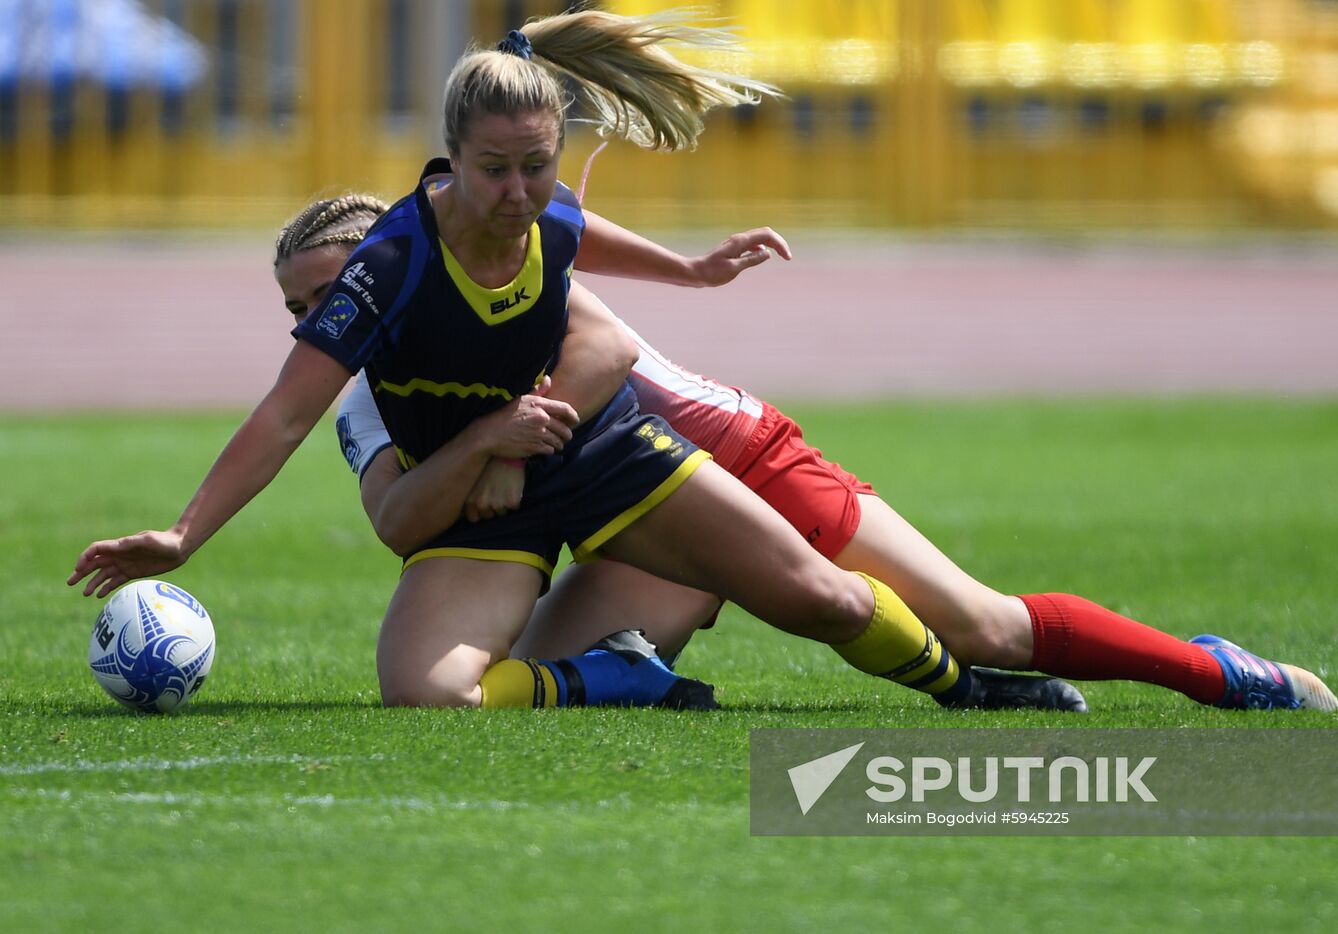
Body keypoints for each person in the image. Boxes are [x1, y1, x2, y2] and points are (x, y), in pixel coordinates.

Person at [71, 9, 1076, 714]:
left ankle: (969, 686)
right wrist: (184, 531)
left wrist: (689, 270)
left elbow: (578, 233)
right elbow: (285, 414)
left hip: (604, 460)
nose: (517, 192)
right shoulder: (390, 265)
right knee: (424, 693)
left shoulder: (543, 206)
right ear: (448, 161)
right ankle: (613, 678)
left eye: (535, 165)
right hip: (477, 515)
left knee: (829, 600)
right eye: (493, 171)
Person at [287, 189, 1338, 714]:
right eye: (299, 306)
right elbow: (398, 516)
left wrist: (510, 444)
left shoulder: (479, 282)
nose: (318, 320)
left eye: (333, 290)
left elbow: (591, 331)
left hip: (735, 458)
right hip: (636, 525)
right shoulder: (362, 394)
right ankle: (625, 675)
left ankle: (1219, 673)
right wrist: (485, 447)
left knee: (987, 623)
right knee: (488, 688)